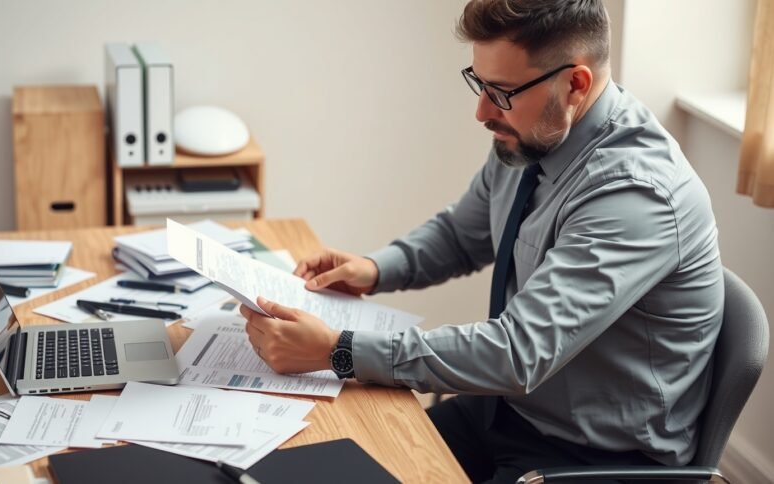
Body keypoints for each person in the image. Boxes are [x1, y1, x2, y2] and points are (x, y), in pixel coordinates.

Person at [239, 0, 724, 481]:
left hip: (591, 458)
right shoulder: (534, 132)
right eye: (479, 82)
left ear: (576, 84)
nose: (482, 111)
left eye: (502, 92)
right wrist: (377, 269)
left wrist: (338, 350)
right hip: (506, 408)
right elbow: (462, 233)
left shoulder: (635, 195)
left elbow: (518, 352)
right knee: (323, 462)